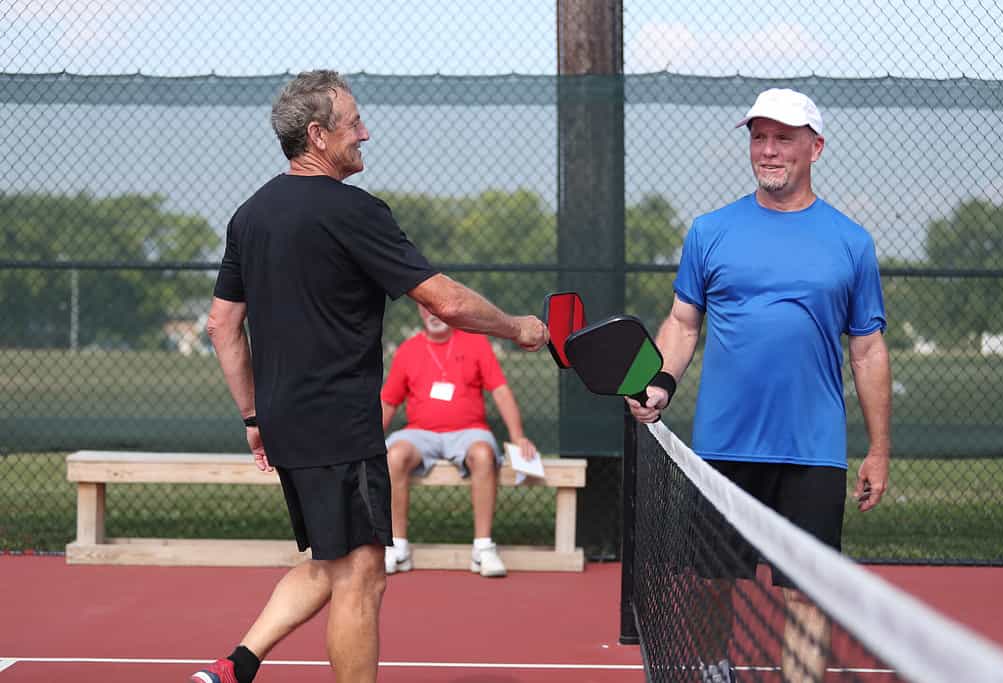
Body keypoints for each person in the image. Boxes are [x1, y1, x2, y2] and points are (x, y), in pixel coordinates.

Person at [191, 70, 548, 683]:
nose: (365, 133)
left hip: (287, 422)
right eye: (354, 123)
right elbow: (445, 302)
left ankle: (236, 665)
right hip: (339, 424)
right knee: (361, 576)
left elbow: (222, 326)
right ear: (317, 135)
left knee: (333, 563)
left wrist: (254, 417)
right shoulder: (355, 212)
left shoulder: (248, 215)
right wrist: (519, 327)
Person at [628, 88, 891, 683]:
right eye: (758, 137)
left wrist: (878, 448)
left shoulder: (851, 242)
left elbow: (869, 348)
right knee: (712, 585)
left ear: (815, 147)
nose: (768, 150)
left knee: (807, 594)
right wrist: (661, 381)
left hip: (813, 450)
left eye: (784, 138)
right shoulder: (709, 231)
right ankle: (716, 671)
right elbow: (682, 322)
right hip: (721, 449)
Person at [380, 303, 538, 578]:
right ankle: (397, 547)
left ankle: (483, 549)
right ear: (420, 312)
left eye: (437, 309)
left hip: (469, 431)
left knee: (483, 455)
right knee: (394, 455)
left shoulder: (476, 343)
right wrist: (364, 442)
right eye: (425, 309)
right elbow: (388, 403)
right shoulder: (407, 350)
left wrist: (518, 437)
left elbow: (500, 392)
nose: (432, 315)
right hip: (421, 433)